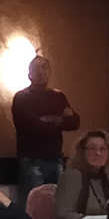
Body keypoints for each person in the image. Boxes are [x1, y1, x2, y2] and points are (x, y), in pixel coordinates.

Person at [12, 55, 80, 200]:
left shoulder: (58, 96)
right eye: (36, 68)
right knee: (33, 206)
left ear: (49, 72)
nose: (41, 71)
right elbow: (32, 127)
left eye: (44, 67)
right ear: (29, 74)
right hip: (31, 161)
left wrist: (47, 119)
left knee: (58, 205)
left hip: (56, 158)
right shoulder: (21, 98)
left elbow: (75, 122)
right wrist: (59, 119)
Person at [54, 130, 109, 219]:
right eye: (92, 148)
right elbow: (62, 217)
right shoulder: (72, 176)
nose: (98, 153)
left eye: (103, 149)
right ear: (82, 152)